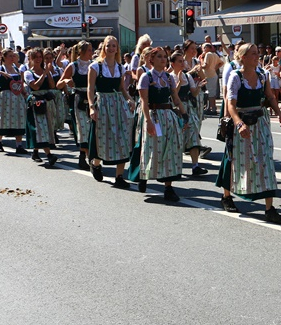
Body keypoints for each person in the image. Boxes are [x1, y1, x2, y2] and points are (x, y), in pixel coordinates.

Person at [216, 43, 281, 222]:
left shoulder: (263, 75)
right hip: (242, 122)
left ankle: (269, 208)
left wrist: (278, 112)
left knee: (266, 161)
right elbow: (230, 104)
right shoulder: (235, 76)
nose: (257, 56)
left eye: (258, 53)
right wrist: (238, 124)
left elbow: (269, 96)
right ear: (243, 57)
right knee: (233, 159)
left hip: (260, 122)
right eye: (253, 54)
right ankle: (226, 196)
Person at [129, 47, 185, 201]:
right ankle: (143, 176)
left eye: (165, 57)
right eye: (159, 57)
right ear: (151, 60)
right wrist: (148, 121)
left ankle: (168, 187)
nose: (163, 59)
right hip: (153, 115)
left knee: (170, 150)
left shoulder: (168, 77)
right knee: (150, 148)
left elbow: (175, 97)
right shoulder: (146, 77)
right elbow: (144, 102)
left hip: (168, 116)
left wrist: (184, 115)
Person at [87, 36, 134, 185]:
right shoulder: (95, 67)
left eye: (114, 46)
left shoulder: (121, 67)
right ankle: (96, 164)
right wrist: (91, 107)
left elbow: (122, 88)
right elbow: (90, 88)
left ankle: (119, 176)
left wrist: (129, 99)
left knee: (123, 137)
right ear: (104, 48)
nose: (111, 48)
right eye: (108, 46)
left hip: (118, 104)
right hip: (103, 103)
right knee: (103, 136)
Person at [171, 50, 207, 178]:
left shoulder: (188, 76)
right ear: (173, 63)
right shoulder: (170, 76)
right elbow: (173, 94)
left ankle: (195, 166)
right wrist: (179, 82)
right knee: (177, 137)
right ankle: (176, 166)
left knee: (193, 135)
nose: (182, 63)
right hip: (175, 109)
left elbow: (193, 93)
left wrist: (198, 87)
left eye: (183, 61)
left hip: (188, 108)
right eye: (179, 61)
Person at [57, 41, 94, 169]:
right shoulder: (73, 66)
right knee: (83, 128)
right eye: (89, 50)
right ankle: (86, 157)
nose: (92, 52)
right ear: (81, 52)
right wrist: (67, 80)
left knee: (93, 128)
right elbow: (59, 84)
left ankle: (86, 156)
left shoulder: (94, 65)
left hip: (93, 99)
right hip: (79, 99)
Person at [0, 49, 28, 155]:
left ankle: (19, 145)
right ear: (4, 57)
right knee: (3, 119)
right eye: (10, 56)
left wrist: (24, 94)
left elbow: (20, 83)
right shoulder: (1, 67)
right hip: (5, 97)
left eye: (13, 56)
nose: (12, 58)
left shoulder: (16, 69)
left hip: (17, 97)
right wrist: (0, 72)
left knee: (19, 119)